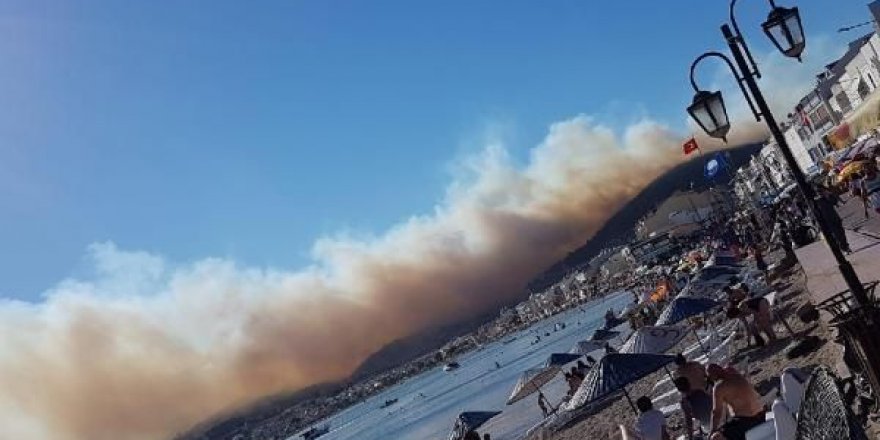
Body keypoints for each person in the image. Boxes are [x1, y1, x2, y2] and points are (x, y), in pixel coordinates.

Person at [707, 364, 765, 440]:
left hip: (747, 421)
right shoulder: (737, 376)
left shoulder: (719, 387)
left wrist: (712, 432)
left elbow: (716, 413)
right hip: (761, 416)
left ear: (712, 376)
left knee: (715, 437)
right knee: (730, 426)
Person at [815, 186, 852, 253]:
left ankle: (846, 246)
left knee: (842, 233)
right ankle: (844, 248)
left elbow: (834, 202)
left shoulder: (828, 197)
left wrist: (828, 196)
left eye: (822, 191)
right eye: (819, 192)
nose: (821, 193)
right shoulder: (818, 201)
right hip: (828, 221)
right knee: (837, 235)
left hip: (835, 217)